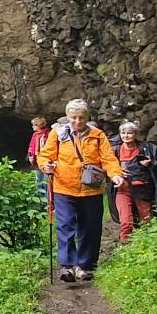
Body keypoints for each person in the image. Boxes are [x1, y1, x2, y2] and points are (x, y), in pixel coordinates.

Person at [40, 100, 124, 282]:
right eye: (73, 118)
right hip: (64, 187)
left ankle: (85, 266)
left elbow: (108, 159)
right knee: (65, 225)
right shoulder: (58, 134)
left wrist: (116, 174)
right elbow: (45, 155)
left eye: (81, 117)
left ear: (87, 117)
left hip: (91, 190)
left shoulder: (97, 135)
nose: (77, 121)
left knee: (91, 227)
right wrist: (45, 165)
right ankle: (68, 266)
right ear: (67, 117)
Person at [109, 122, 157, 243]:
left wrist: (151, 163)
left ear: (136, 134)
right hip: (123, 190)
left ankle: (147, 246)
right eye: (123, 133)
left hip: (144, 190)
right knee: (126, 223)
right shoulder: (115, 151)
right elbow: (106, 168)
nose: (126, 136)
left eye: (129, 133)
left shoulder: (149, 149)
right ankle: (124, 249)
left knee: (147, 222)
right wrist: (117, 171)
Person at [26, 116, 50, 202]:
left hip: (45, 161)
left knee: (45, 181)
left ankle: (47, 201)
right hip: (36, 161)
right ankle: (39, 200)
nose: (32, 127)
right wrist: (30, 156)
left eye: (34, 125)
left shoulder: (47, 134)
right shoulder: (35, 135)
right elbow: (31, 146)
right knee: (38, 180)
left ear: (38, 125)